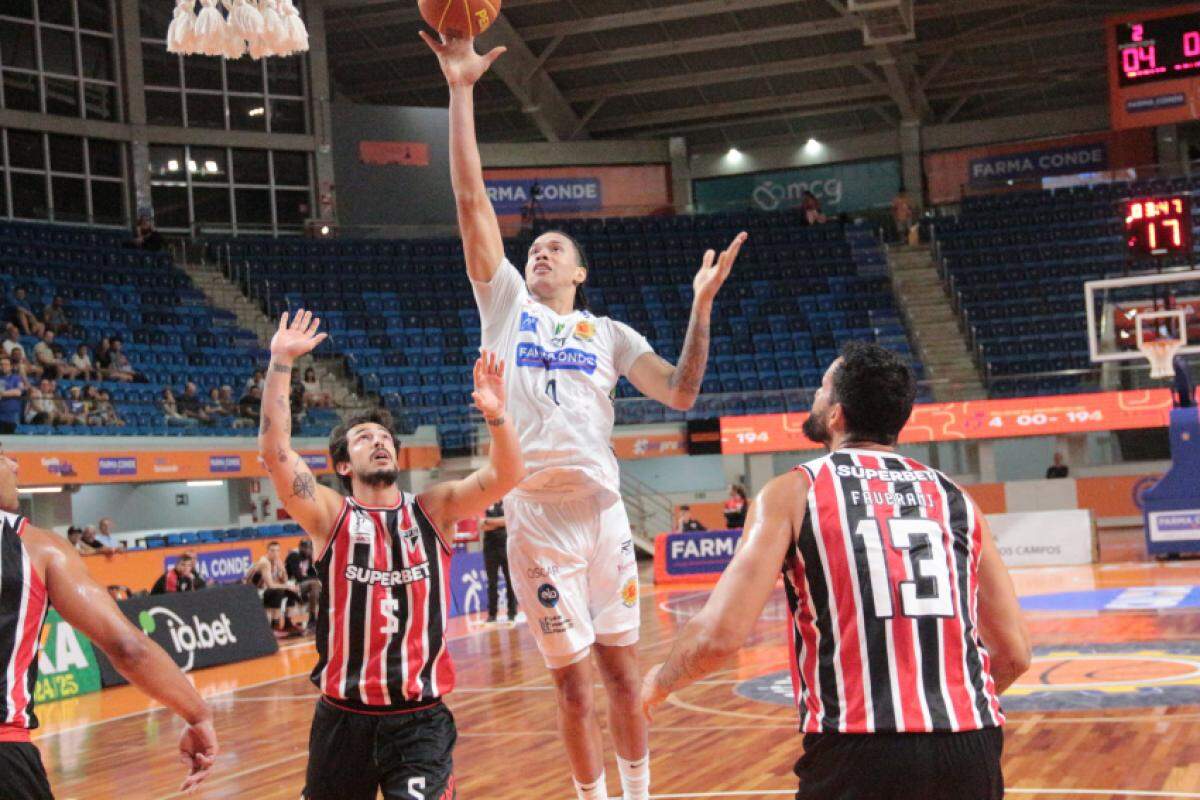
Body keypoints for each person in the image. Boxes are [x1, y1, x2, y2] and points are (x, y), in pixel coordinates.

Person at [421, 32, 746, 800]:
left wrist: (700, 307)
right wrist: (462, 91)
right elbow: (471, 202)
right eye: (534, 246)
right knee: (571, 691)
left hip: (601, 519)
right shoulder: (502, 304)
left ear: (580, 271)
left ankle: (637, 794)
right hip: (536, 519)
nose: (540, 252)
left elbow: (682, 393)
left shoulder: (610, 334)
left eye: (555, 247)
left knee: (624, 678)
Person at [641, 342, 1032, 800]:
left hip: (858, 748)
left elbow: (719, 635)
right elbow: (1015, 655)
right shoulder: (956, 498)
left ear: (836, 415)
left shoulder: (792, 493)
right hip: (970, 746)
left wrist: (659, 682)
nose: (815, 395)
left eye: (822, 388)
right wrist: (944, 716)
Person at [257, 309, 525, 800]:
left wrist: (497, 415)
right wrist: (280, 363)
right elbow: (275, 453)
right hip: (343, 720)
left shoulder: (434, 510)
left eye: (385, 438)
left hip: (419, 719)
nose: (379, 442)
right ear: (342, 464)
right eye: (364, 438)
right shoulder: (330, 515)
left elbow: (505, 475)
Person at [0, 446, 218, 798]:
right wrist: (198, 714)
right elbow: (128, 648)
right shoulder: (37, 548)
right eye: (3, 457)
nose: (14, 464)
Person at [245, 541, 305, 635]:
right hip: (252, 592)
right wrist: (288, 587)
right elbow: (271, 585)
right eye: (272, 551)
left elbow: (284, 580)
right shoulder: (264, 562)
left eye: (277, 551)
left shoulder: (277, 561)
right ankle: (274, 626)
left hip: (264, 591)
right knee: (278, 592)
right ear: (267, 551)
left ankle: (288, 623)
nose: (275, 553)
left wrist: (282, 570)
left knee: (290, 593)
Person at [481, 500, 517, 624]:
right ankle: (492, 615)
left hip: (506, 546)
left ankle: (512, 613)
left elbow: (510, 520)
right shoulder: (484, 503)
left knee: (510, 580)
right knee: (492, 582)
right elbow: (481, 525)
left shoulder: (507, 502)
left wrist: (489, 521)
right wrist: (501, 522)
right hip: (490, 548)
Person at [285, 537, 322, 632]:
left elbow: (313, 574)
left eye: (310, 548)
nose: (308, 550)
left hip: (304, 584)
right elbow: (298, 576)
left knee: (318, 585)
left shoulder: (308, 557)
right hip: (291, 584)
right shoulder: (294, 555)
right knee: (315, 583)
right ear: (300, 547)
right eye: (305, 547)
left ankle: (316, 619)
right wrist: (315, 580)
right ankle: (312, 619)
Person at [0, 356, 26, 434]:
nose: (3, 366)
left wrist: (2, 393)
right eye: (1, 364)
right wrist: (10, 392)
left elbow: (18, 392)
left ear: (11, 366)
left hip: (12, 415)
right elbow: (14, 391)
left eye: (6, 364)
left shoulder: (16, 378)